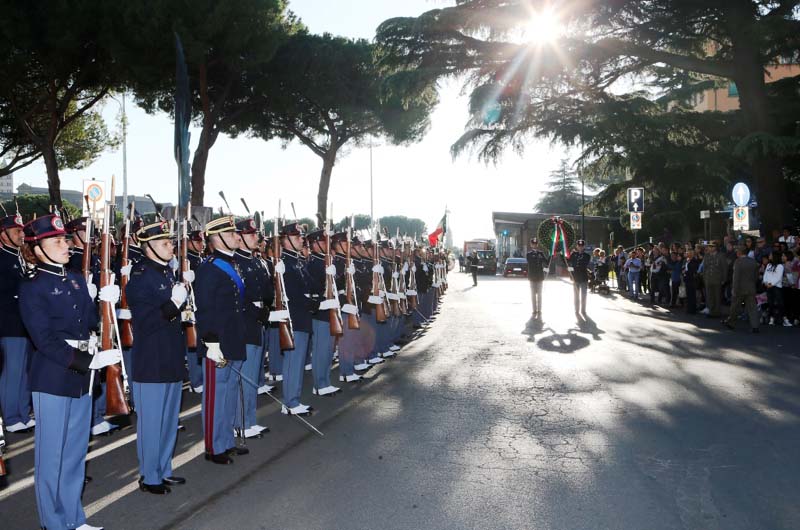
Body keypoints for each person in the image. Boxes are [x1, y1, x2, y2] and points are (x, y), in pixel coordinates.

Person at [20, 213, 121, 530]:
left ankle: (74, 519)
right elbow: (44, 340)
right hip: (54, 376)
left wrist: (105, 302)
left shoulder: (76, 279)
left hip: (83, 376)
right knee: (51, 457)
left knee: (75, 453)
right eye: (57, 241)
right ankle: (53, 523)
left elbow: (90, 324)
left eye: (65, 239)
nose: (65, 245)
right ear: (37, 249)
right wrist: (88, 361)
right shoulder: (32, 288)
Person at [125, 221, 188, 494]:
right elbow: (146, 322)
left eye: (170, 241)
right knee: (151, 423)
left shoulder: (167, 274)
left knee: (169, 421)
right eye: (164, 243)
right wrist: (174, 304)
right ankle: (149, 476)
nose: (170, 246)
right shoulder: (140, 278)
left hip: (171, 356)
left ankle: (164, 469)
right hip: (151, 360)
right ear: (148, 246)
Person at [194, 215, 248, 465]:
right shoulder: (209, 268)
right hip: (217, 343)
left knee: (229, 394)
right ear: (217, 238)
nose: (237, 237)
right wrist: (210, 342)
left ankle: (226, 441)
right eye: (231, 233)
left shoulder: (231, 263)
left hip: (233, 337)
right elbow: (204, 309)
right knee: (216, 396)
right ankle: (213, 447)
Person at [232, 218, 273, 438]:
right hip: (246, 322)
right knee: (245, 377)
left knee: (253, 374)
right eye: (251, 234)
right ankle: (240, 422)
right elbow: (238, 297)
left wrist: (266, 307)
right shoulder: (235, 262)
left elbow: (266, 291)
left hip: (259, 320)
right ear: (239, 237)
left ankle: (249, 420)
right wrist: (255, 311)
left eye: (255, 233)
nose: (256, 237)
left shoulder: (258, 262)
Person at [0, 212, 34, 433]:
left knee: (24, 371)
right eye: (17, 231)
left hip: (24, 325)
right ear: (3, 234)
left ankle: (23, 412)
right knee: (13, 372)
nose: (22, 235)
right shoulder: (2, 258)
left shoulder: (19, 257)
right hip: (10, 324)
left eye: (22, 230)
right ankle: (11, 417)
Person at [276, 222, 315, 415]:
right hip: (294, 319)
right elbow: (291, 294)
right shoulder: (284, 263)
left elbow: (309, 285)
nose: (302, 240)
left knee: (298, 362)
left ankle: (294, 399)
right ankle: (290, 402)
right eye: (297, 237)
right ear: (286, 240)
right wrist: (312, 302)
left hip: (303, 317)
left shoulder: (298, 261)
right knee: (293, 362)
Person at [723, 246, 760, 332]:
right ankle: (755, 326)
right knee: (752, 308)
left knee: (735, 307)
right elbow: (756, 276)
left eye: (737, 251)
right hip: (751, 288)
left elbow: (736, 277)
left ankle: (731, 323)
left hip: (739, 288)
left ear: (739, 252)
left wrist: (734, 289)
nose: (736, 253)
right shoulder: (753, 261)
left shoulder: (738, 262)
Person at [762, 250, 790, 326]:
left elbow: (778, 277)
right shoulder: (769, 265)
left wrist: (771, 284)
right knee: (770, 303)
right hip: (769, 286)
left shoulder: (780, 266)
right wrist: (765, 282)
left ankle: (785, 319)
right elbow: (765, 275)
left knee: (780, 304)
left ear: (774, 256)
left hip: (777, 287)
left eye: (771, 255)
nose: (769, 256)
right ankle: (772, 318)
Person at [701, 241, 727, 318]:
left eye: (712, 246)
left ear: (716, 247)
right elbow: (704, 268)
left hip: (717, 279)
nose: (710, 248)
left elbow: (724, 268)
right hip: (708, 279)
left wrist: (724, 279)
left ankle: (716, 312)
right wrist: (704, 277)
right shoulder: (707, 256)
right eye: (709, 246)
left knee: (717, 296)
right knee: (709, 296)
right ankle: (711, 311)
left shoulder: (721, 256)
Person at [568, 240, 591, 318]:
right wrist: (563, 254)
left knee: (583, 295)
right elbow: (567, 262)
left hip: (583, 278)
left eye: (582, 246)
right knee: (576, 295)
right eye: (579, 246)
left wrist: (573, 266)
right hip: (575, 278)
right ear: (577, 246)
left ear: (584, 246)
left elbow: (583, 264)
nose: (580, 247)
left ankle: (583, 310)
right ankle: (576, 310)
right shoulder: (573, 254)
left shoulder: (587, 255)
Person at [525, 237, 547, 319]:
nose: (534, 245)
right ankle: (534, 310)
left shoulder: (541, 253)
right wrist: (537, 255)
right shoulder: (529, 254)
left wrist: (551, 255)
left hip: (540, 277)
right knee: (533, 294)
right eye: (533, 244)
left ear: (537, 245)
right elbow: (531, 262)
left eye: (535, 244)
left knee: (540, 295)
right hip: (532, 277)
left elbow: (546, 262)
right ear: (531, 245)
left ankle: (539, 310)